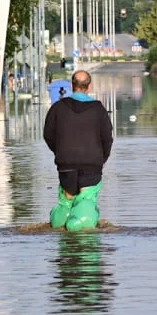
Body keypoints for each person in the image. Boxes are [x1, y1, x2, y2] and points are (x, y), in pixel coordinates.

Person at [44, 70, 113, 231]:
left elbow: (48, 135)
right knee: (86, 199)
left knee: (66, 200)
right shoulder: (98, 109)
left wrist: (60, 152)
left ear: (71, 86)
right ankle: (80, 221)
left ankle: (61, 221)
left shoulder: (58, 108)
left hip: (65, 163)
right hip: (92, 163)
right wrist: (102, 158)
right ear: (89, 87)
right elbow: (107, 138)